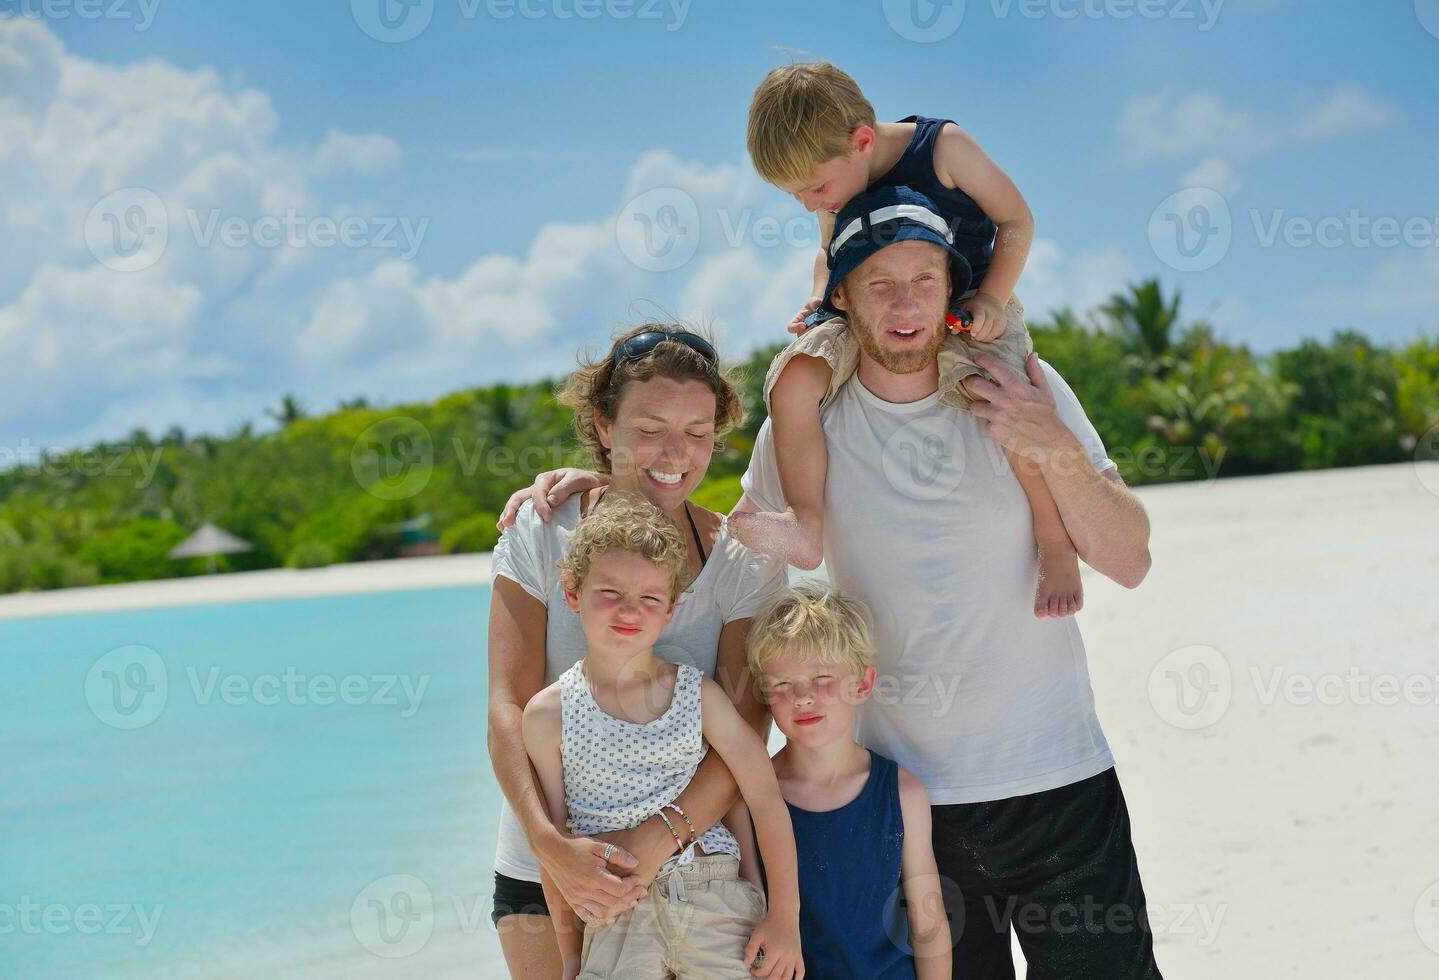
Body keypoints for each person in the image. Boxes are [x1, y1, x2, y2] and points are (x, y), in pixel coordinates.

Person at [505, 189, 1162, 979]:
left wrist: (1050, 442)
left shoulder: (1020, 385)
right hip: (902, 807)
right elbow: (700, 489)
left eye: (925, 279)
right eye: (878, 284)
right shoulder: (810, 414)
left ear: (953, 290)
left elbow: (1128, 559)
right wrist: (604, 479)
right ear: (838, 298)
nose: (904, 302)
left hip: (1059, 778)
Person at [487, 324, 788, 978]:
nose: (675, 453)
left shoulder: (743, 560)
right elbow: (507, 707)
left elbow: (747, 726)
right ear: (602, 425)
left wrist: (655, 842)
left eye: (698, 432)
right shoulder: (542, 530)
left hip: (700, 880)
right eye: (649, 429)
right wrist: (551, 845)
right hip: (544, 874)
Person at [733, 61, 1083, 620]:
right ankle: (805, 522)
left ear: (863, 142)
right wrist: (820, 301)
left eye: (815, 188)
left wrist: (992, 297)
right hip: (869, 311)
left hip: (971, 305)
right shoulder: (835, 188)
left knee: (1007, 396)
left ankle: (1056, 542)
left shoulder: (943, 148)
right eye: (796, 194)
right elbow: (828, 253)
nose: (809, 203)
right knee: (793, 373)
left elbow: (1016, 219)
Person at [523, 493, 803, 979]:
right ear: (572, 592)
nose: (629, 611)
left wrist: (784, 918)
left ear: (671, 608)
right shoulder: (549, 712)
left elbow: (764, 798)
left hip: (712, 894)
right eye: (609, 592)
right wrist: (571, 956)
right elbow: (555, 848)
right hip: (613, 916)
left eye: (650, 598)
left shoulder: (700, 694)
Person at [746, 581, 952, 979]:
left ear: (862, 683)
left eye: (822, 678)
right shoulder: (755, 796)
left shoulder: (902, 793)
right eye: (784, 685)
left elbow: (929, 924)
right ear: (765, 694)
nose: (803, 697)